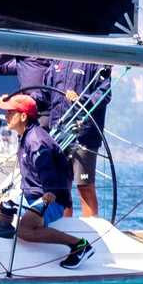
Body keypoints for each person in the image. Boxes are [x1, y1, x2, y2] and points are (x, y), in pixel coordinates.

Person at [0, 92, 93, 268]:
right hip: (32, 195)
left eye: (11, 112)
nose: (6, 115)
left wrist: (48, 193)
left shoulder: (36, 140)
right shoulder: (26, 134)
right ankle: (2, 228)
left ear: (23, 116)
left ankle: (79, 245)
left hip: (51, 198)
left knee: (24, 230)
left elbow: (46, 168)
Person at [45, 58, 111, 216]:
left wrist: (81, 99)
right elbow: (45, 91)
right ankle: (64, 229)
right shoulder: (56, 60)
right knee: (61, 188)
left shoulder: (95, 61)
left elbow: (105, 94)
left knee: (84, 186)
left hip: (84, 136)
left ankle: (91, 231)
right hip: (58, 133)